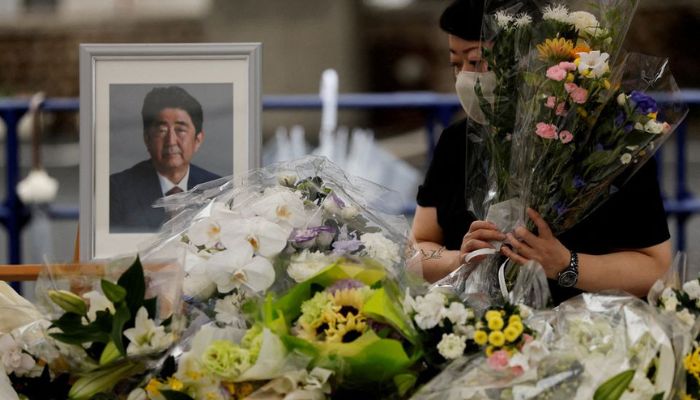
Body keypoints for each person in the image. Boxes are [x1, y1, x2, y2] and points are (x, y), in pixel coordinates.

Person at [412, 0, 672, 305]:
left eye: (477, 61)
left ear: (529, 58)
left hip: (590, 334)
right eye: (456, 64)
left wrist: (565, 265)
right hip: (479, 331)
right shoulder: (456, 143)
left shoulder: (609, 142)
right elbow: (417, 248)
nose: (465, 79)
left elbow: (655, 268)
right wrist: (461, 259)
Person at [110, 86, 220, 232]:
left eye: (180, 130)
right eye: (161, 130)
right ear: (147, 138)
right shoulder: (118, 190)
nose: (171, 141)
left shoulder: (216, 189)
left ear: (198, 140)